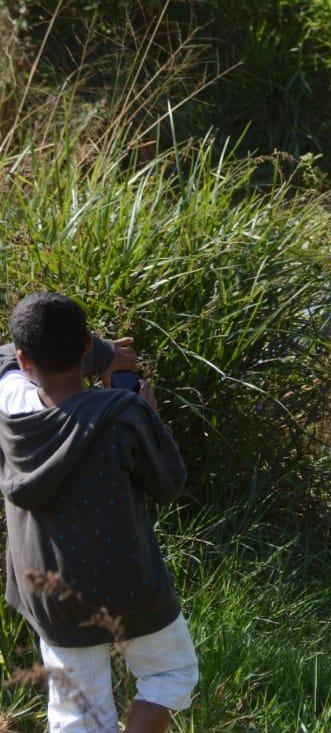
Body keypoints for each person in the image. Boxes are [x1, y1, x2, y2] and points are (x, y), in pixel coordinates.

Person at [0, 293, 197, 733]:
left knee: (79, 717)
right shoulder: (122, 415)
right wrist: (151, 414)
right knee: (170, 674)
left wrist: (98, 349)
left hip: (50, 591)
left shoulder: (7, 409)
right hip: (128, 585)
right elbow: (169, 483)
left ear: (24, 358)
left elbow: (3, 362)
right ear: (86, 345)